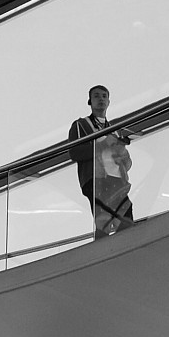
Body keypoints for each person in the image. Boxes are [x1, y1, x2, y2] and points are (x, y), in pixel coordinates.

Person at [67, 86, 131, 236]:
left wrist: (122, 153)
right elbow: (75, 152)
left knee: (126, 220)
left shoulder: (114, 130)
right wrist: (103, 144)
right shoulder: (81, 125)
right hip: (96, 179)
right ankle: (104, 252)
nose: (101, 99)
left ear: (109, 101)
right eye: (96, 96)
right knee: (103, 222)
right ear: (90, 101)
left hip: (117, 179)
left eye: (104, 96)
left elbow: (127, 163)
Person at [90, 127, 134, 237]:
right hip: (104, 181)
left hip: (120, 181)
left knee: (125, 208)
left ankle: (127, 233)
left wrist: (121, 149)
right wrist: (106, 142)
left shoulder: (115, 148)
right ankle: (102, 238)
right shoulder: (97, 147)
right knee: (104, 214)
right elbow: (92, 154)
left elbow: (128, 164)